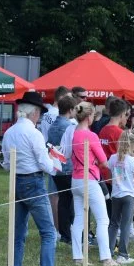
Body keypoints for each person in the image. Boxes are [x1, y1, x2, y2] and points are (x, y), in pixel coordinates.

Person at [1, 92, 68, 266]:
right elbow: (44, 163)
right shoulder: (34, 133)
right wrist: (56, 163)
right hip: (34, 181)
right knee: (48, 232)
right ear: (35, 113)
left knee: (19, 233)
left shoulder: (9, 132)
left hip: (17, 180)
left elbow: (5, 163)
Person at [67, 102, 117, 266]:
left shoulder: (74, 133)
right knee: (103, 219)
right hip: (89, 179)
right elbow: (104, 162)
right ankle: (106, 258)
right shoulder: (91, 136)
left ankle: (78, 257)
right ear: (89, 117)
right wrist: (97, 162)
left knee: (79, 219)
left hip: (75, 179)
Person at [107, 132, 134, 265]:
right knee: (126, 225)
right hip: (128, 194)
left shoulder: (113, 158)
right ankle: (122, 254)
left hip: (116, 194)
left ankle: (108, 252)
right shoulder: (133, 160)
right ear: (132, 145)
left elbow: (110, 174)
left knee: (114, 223)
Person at [47, 95, 77, 245]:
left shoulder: (52, 125)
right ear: (71, 110)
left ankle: (64, 232)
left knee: (63, 200)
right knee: (68, 201)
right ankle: (68, 232)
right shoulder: (69, 127)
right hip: (68, 167)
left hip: (56, 166)